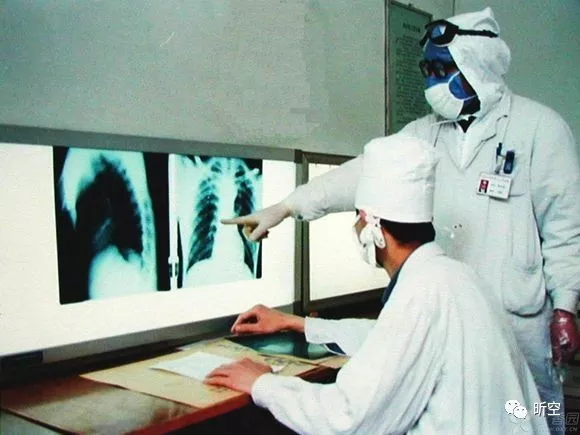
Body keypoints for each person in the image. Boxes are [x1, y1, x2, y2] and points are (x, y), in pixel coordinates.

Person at [221, 7, 580, 430]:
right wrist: (285, 206)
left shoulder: (540, 130)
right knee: (512, 417)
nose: (432, 82)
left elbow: (565, 231)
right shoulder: (424, 134)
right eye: (427, 70)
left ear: (478, 65)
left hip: (522, 324)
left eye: (442, 69)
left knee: (540, 412)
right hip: (467, 322)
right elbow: (360, 174)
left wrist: (566, 306)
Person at [206, 134, 548, 434]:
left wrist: (263, 384)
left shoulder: (421, 294)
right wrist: (299, 324)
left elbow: (348, 418)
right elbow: (391, 340)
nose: (355, 226)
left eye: (357, 216)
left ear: (373, 228)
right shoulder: (452, 277)